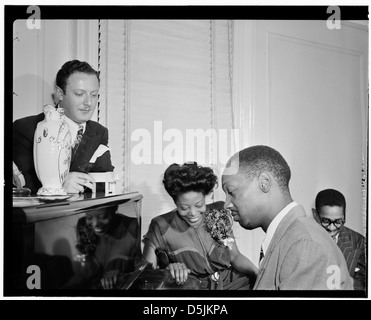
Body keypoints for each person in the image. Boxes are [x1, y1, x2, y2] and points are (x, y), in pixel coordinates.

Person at [221, 145, 353, 290]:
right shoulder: (289, 237)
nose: (226, 204)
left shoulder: (305, 244)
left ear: (264, 183)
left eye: (231, 192)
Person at [142, 162, 258, 290]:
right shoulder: (160, 225)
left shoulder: (218, 214)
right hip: (193, 286)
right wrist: (168, 270)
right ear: (175, 202)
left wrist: (258, 273)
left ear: (205, 197)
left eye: (199, 205)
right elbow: (145, 277)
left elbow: (234, 256)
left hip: (230, 283)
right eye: (184, 208)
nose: (193, 213)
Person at [13, 59, 114, 194]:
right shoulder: (26, 129)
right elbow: (20, 187)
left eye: (94, 95)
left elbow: (103, 184)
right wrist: (59, 186)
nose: (89, 103)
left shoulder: (99, 132)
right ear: (60, 93)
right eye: (79, 94)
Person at [62, 206, 142, 289]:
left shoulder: (133, 227)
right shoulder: (84, 226)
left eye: (103, 217)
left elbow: (143, 272)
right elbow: (85, 272)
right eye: (89, 217)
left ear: (114, 209)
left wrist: (123, 275)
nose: (95, 224)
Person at [313, 188, 366, 291]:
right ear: (315, 214)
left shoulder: (360, 243)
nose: (332, 228)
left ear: (344, 215)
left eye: (338, 222)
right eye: (325, 221)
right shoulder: (303, 239)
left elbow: (361, 287)